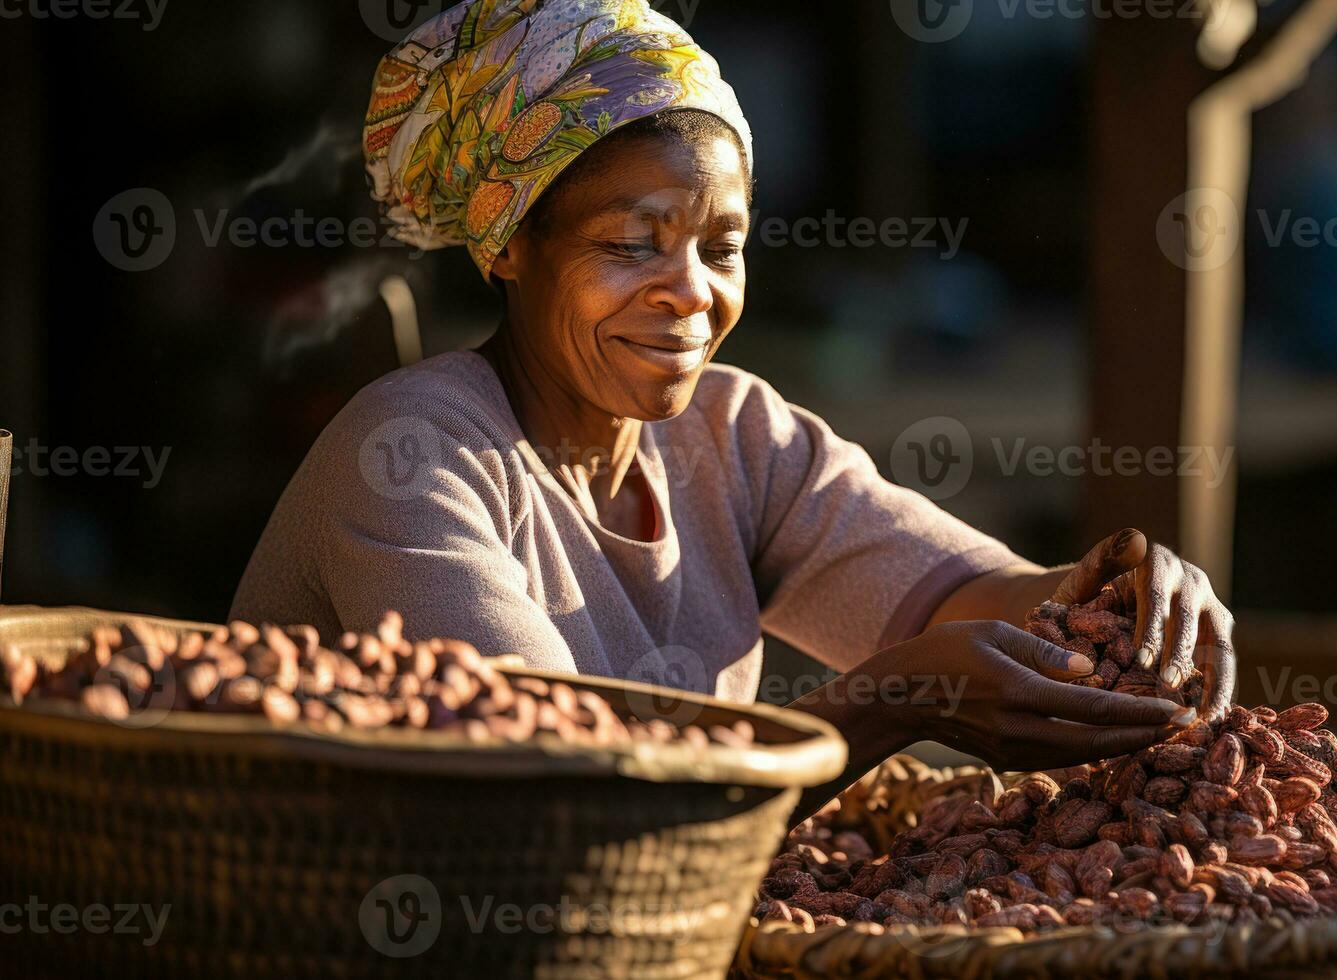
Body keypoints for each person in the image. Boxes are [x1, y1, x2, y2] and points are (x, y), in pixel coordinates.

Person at [232, 0, 1234, 810]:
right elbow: (566, 791)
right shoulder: (412, 455)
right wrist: (894, 704)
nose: (692, 291)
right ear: (506, 246)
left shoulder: (734, 436)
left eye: (721, 246)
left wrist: (1108, 599)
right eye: (630, 243)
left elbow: (962, 596)